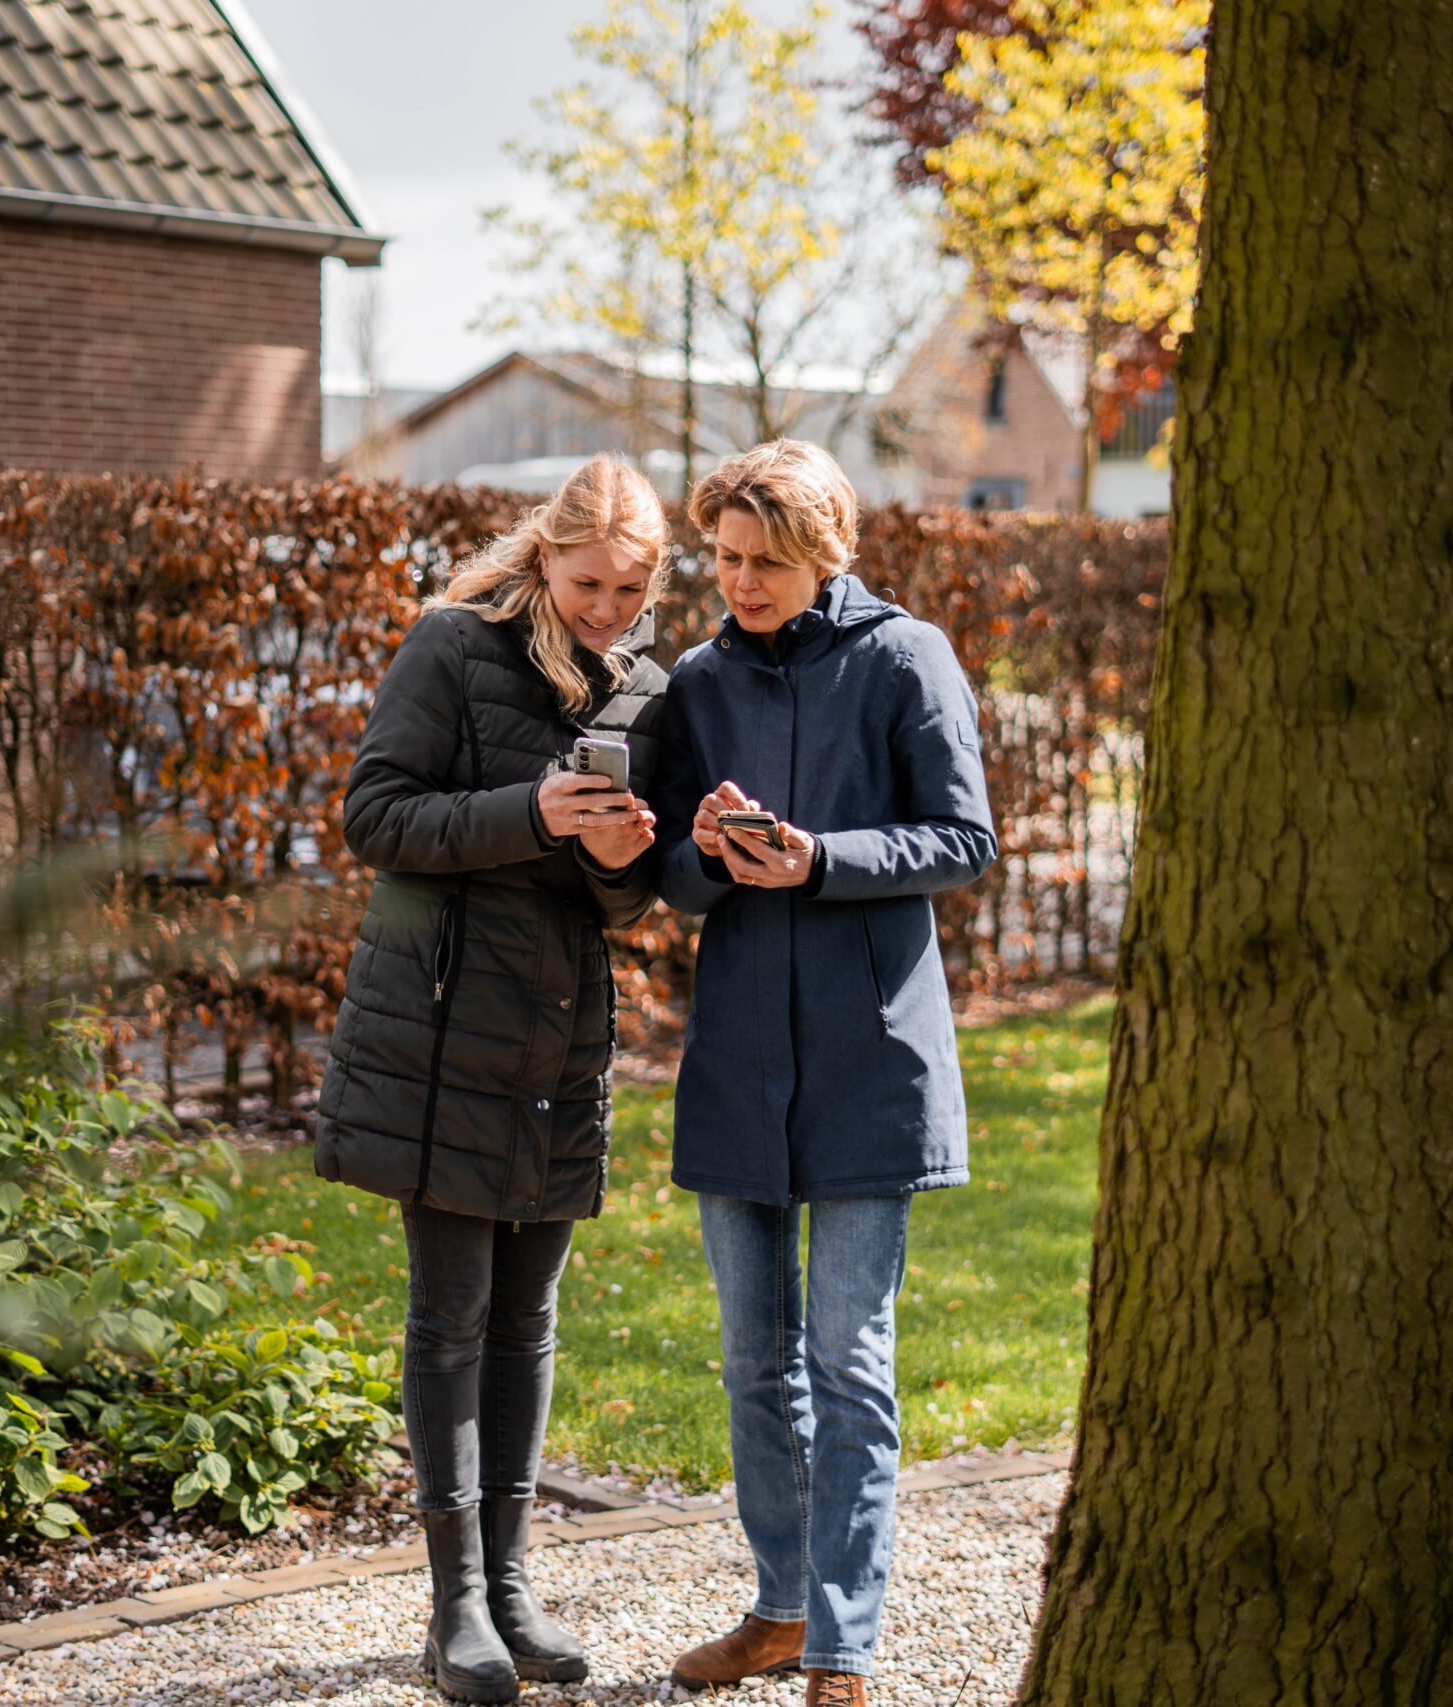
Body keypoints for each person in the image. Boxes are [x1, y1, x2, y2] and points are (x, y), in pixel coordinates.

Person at [313, 454, 671, 1704]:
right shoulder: (451, 644)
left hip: (560, 1043)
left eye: (632, 589)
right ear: (541, 559)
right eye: (587, 584)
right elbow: (375, 818)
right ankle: (453, 1604)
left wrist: (626, 853)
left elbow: (617, 902)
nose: (608, 610)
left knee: (528, 1321)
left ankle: (515, 1590)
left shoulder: (642, 684)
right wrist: (533, 811)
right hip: (441, 1033)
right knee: (451, 1317)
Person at [647, 441, 995, 1707]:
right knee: (753, 1359)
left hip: (868, 1060)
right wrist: (699, 851)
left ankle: (843, 1641)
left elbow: (964, 837)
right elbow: (665, 882)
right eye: (726, 559)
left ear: (824, 553)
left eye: (765, 562)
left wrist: (819, 859)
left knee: (849, 1356)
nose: (737, 582)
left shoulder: (908, 657)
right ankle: (780, 1607)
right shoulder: (695, 680)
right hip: (739, 1060)